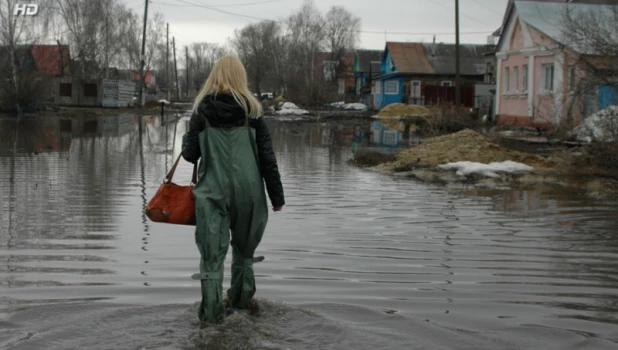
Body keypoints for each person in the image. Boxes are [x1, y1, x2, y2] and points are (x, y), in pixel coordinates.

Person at [181, 56, 285, 324]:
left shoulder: (201, 111)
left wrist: (189, 134)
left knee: (212, 257)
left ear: (214, 77)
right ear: (241, 77)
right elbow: (267, 158)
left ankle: (211, 318)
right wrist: (277, 197)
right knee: (244, 253)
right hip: (249, 192)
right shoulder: (253, 112)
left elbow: (190, 155)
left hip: (212, 192)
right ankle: (241, 308)